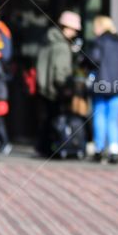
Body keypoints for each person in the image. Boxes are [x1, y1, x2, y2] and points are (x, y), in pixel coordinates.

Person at [35, 10, 79, 156]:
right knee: (55, 119)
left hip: (43, 86)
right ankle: (53, 148)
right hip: (55, 89)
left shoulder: (47, 40)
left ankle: (42, 147)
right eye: (73, 30)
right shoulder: (62, 46)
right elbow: (60, 72)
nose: (74, 33)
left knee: (46, 119)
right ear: (65, 27)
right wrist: (65, 86)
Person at [86, 15, 118, 163]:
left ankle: (99, 149)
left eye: (96, 26)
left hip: (101, 85)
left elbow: (92, 60)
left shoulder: (100, 42)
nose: (94, 30)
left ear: (102, 27)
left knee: (100, 116)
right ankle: (114, 149)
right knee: (113, 119)